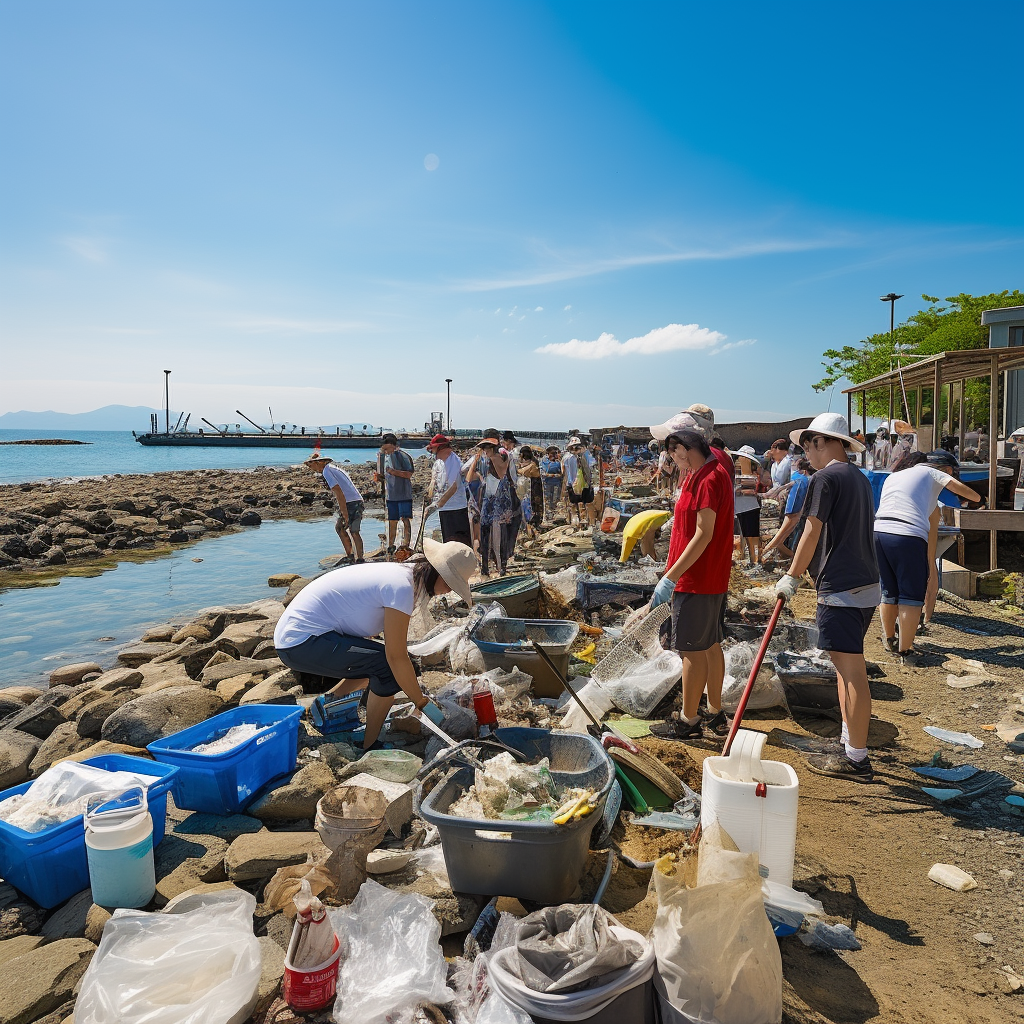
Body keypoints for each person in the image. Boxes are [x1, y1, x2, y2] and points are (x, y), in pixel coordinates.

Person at [274, 539, 476, 750]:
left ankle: (329, 704)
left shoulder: (407, 575)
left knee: (380, 662)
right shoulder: (402, 586)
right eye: (449, 584)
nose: (447, 591)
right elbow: (395, 657)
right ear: (436, 572)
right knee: (387, 668)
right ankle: (369, 745)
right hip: (301, 642)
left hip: (303, 638)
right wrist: (421, 702)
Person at [774, 413, 879, 783]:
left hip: (842, 586)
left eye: (809, 446)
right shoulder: (859, 479)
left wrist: (791, 576)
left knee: (852, 672)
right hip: (866, 584)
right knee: (842, 667)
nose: (807, 455)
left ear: (823, 442)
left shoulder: (825, 477)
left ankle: (858, 760)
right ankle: (849, 743)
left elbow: (811, 531)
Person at [645, 415, 734, 742]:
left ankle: (689, 720)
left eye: (672, 447)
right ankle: (713, 711)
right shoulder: (708, 471)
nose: (669, 454)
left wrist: (671, 577)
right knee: (708, 644)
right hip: (706, 577)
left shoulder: (708, 477)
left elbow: (703, 535)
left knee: (692, 652)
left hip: (697, 579)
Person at [874, 450, 980, 662]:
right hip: (907, 535)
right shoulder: (933, 473)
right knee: (911, 596)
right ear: (947, 469)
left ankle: (890, 640)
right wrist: (979, 498)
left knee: (889, 590)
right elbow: (970, 494)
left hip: (879, 532)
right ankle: (906, 650)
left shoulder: (895, 476)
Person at [466, 435, 516, 576]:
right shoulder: (484, 461)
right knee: (485, 533)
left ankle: (501, 567)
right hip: (487, 500)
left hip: (500, 501)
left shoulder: (502, 455)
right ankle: (486, 568)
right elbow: (468, 478)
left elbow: (502, 473)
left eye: (487, 448)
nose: (485, 451)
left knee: (500, 535)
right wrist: (476, 462)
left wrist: (492, 457)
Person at [306, 452, 365, 563]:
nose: (311, 468)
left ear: (319, 462)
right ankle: (355, 556)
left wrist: (344, 512)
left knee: (346, 529)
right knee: (348, 529)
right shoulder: (333, 468)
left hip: (351, 502)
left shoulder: (326, 471)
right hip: (356, 500)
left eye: (310, 465)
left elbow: (338, 491)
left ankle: (355, 557)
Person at [423, 434, 472, 547]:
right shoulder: (439, 461)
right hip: (444, 508)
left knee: (458, 543)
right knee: (446, 542)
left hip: (456, 508)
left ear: (442, 448)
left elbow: (453, 487)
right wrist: (431, 496)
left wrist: (437, 505)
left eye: (434, 449)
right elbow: (434, 478)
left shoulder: (453, 462)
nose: (433, 452)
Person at [762, 457, 812, 561]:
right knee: (783, 538)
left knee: (782, 537)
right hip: (797, 512)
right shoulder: (804, 478)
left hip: (792, 511)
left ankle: (763, 556)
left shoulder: (798, 478)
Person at [378, 433, 414, 555]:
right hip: (391, 494)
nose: (386, 451)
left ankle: (406, 544)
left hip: (404, 493)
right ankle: (391, 545)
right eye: (384, 449)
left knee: (405, 519)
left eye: (387, 448)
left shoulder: (403, 456)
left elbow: (408, 474)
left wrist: (393, 472)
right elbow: (383, 474)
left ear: (394, 445)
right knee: (392, 520)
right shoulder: (384, 457)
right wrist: (380, 478)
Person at [730, 444, 763, 564]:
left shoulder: (752, 472)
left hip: (750, 507)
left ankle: (756, 560)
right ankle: (752, 559)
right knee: (746, 534)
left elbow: (750, 489)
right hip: (741, 508)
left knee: (752, 535)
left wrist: (738, 488)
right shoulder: (738, 471)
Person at [562, 437, 594, 528]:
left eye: (577, 447)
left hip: (582, 484)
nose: (575, 450)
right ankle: (576, 523)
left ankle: (582, 523)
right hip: (573, 484)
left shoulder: (584, 456)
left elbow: (590, 467)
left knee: (583, 504)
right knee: (575, 505)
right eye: (573, 448)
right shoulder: (569, 458)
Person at [517, 446, 544, 539]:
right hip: (533, 485)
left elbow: (523, 472)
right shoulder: (532, 462)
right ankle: (532, 527)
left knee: (534, 506)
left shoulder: (532, 464)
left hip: (535, 487)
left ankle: (533, 528)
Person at [540, 445, 564, 520]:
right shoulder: (545, 461)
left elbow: (563, 473)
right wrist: (552, 475)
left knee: (556, 499)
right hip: (547, 483)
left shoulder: (559, 462)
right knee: (547, 500)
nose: (554, 455)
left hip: (557, 483)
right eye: (552, 453)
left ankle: (555, 515)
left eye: (555, 453)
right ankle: (548, 515)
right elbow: (543, 473)